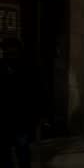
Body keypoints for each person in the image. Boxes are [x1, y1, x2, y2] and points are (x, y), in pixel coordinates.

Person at [0, 38, 37, 168]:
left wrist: (36, 117)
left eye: (12, 51)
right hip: (4, 118)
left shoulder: (28, 68)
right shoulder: (2, 66)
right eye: (6, 51)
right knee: (5, 152)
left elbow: (36, 93)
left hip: (21, 118)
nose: (9, 53)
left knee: (22, 150)